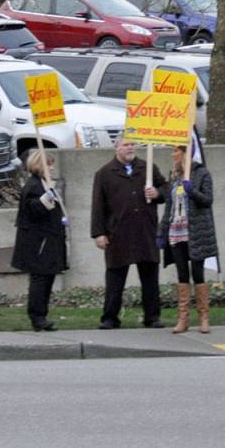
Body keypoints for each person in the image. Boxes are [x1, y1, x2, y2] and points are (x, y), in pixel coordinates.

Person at [91, 137, 169, 329]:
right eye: (126, 144)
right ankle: (110, 317)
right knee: (115, 278)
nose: (130, 148)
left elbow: (165, 188)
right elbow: (98, 206)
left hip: (145, 231)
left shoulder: (148, 168)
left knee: (150, 277)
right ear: (116, 148)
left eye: (133, 144)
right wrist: (98, 233)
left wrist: (157, 194)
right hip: (118, 233)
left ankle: (152, 317)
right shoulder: (104, 173)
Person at [157, 144, 217, 334]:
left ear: (185, 153)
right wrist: (162, 231)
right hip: (176, 231)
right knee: (182, 273)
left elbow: (208, 200)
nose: (172, 154)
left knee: (197, 273)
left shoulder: (202, 173)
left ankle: (204, 317)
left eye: (175, 150)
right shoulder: (174, 176)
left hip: (196, 232)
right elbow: (169, 206)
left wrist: (193, 192)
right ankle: (183, 318)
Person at [11, 151, 67, 332]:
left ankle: (42, 314)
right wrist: (48, 197)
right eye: (48, 164)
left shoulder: (44, 184)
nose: (51, 167)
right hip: (38, 242)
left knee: (47, 278)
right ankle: (37, 316)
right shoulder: (33, 186)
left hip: (49, 238)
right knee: (40, 279)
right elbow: (33, 209)